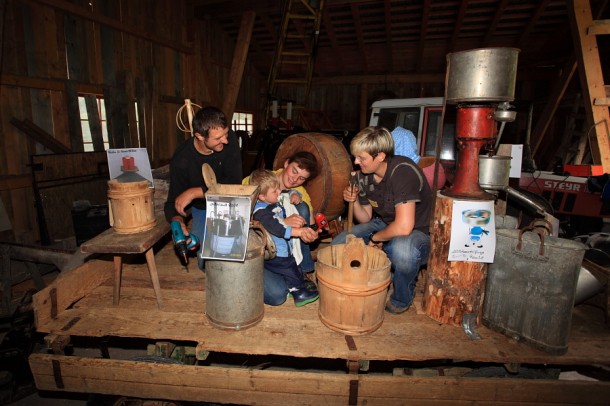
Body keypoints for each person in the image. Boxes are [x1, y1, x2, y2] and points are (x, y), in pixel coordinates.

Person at [331, 126, 433, 314]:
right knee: (338, 244)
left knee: (402, 250)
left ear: (380, 156)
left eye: (362, 158)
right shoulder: (363, 177)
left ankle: (402, 297)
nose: (356, 162)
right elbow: (366, 217)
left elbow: (403, 227)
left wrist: (376, 239)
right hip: (385, 224)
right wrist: (354, 202)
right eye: (356, 156)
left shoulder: (403, 172)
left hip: (417, 232)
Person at [164, 106, 243, 270]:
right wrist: (179, 223)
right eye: (218, 138)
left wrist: (195, 192)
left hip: (229, 201)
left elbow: (235, 182)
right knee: (205, 262)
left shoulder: (230, 140)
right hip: (203, 207)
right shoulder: (182, 159)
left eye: (226, 134)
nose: (226, 140)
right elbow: (173, 202)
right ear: (199, 136)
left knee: (229, 254)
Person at [250, 169, 320, 306]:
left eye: (278, 189)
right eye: (275, 191)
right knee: (291, 270)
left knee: (292, 267)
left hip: (283, 249)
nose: (279, 193)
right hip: (276, 253)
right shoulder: (261, 213)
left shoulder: (272, 201)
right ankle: (300, 293)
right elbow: (278, 228)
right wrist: (299, 232)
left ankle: (291, 285)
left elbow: (287, 193)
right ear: (262, 197)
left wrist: (294, 193)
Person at [243, 151, 318, 275]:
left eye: (301, 178)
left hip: (286, 243)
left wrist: (312, 233)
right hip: (260, 240)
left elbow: (311, 222)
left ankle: (303, 268)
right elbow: (241, 216)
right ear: (286, 163)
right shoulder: (261, 180)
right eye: (294, 171)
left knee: (302, 207)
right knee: (277, 293)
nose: (295, 179)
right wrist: (283, 222)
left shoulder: (299, 191)